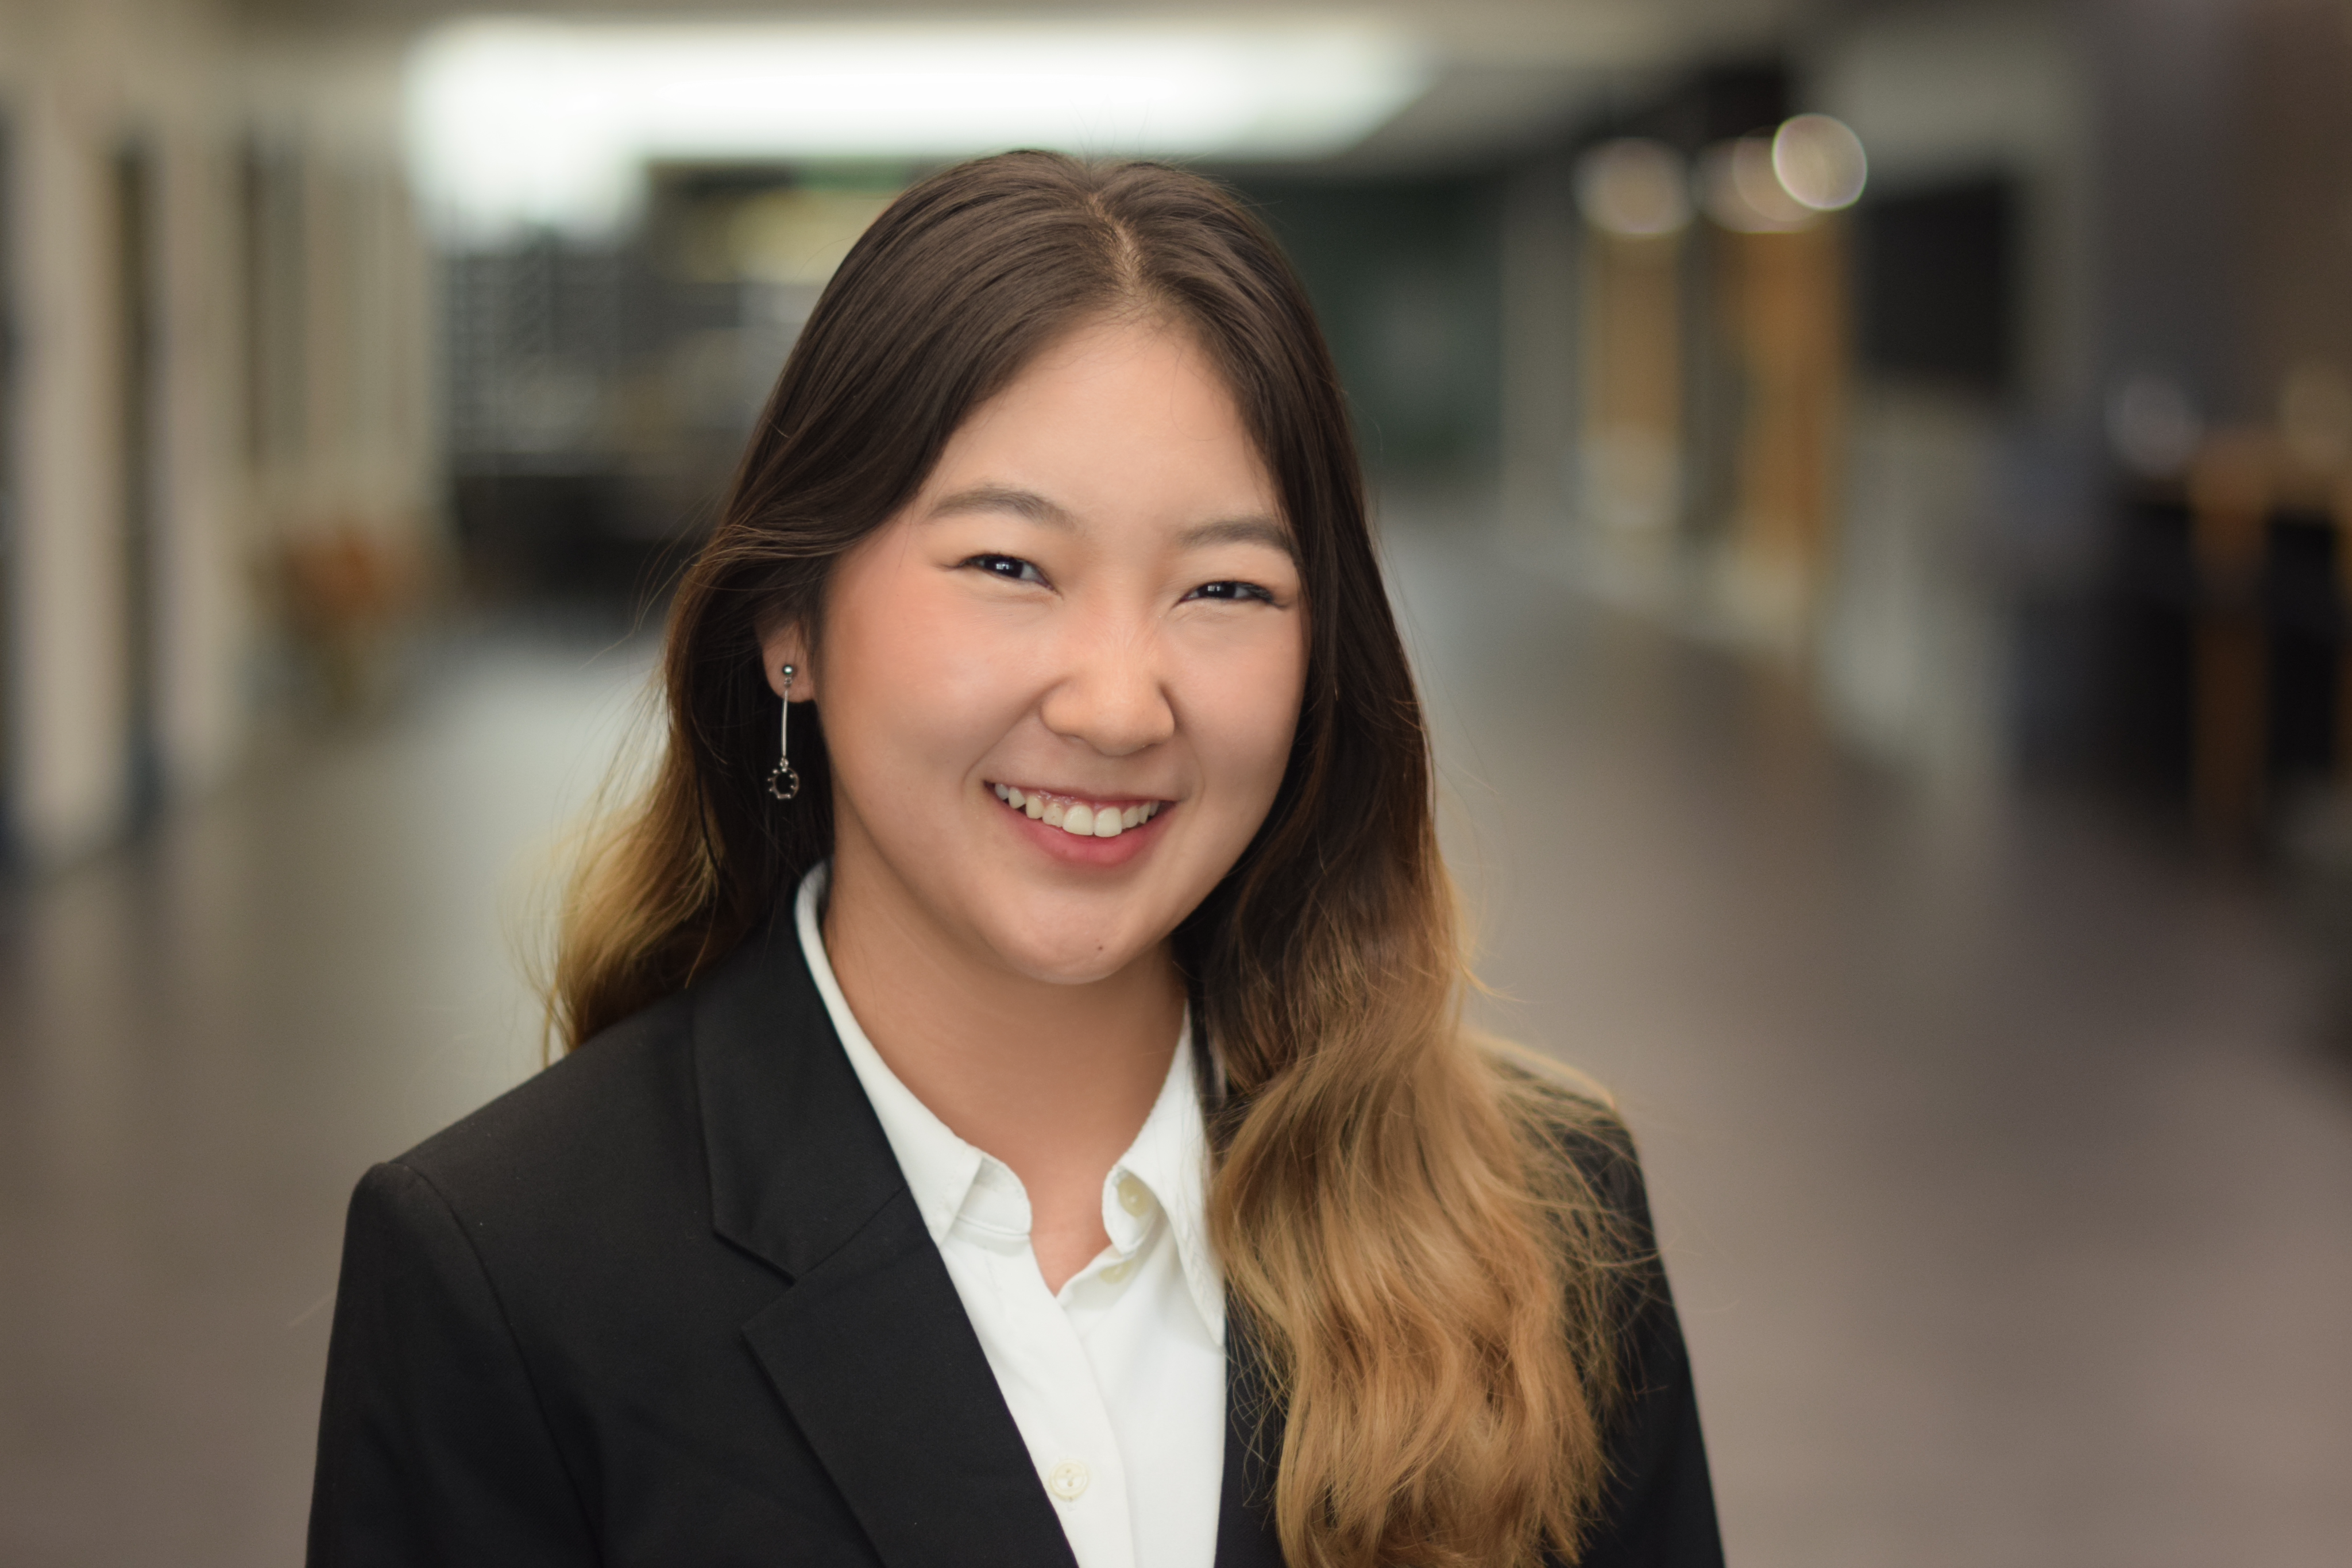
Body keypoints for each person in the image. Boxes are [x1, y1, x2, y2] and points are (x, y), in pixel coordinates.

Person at [306, 151, 1721, 1568]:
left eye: (1226, 588)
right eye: (1008, 567)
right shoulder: (506, 1267)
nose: (1117, 705)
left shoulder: (1539, 1208)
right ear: (789, 621)